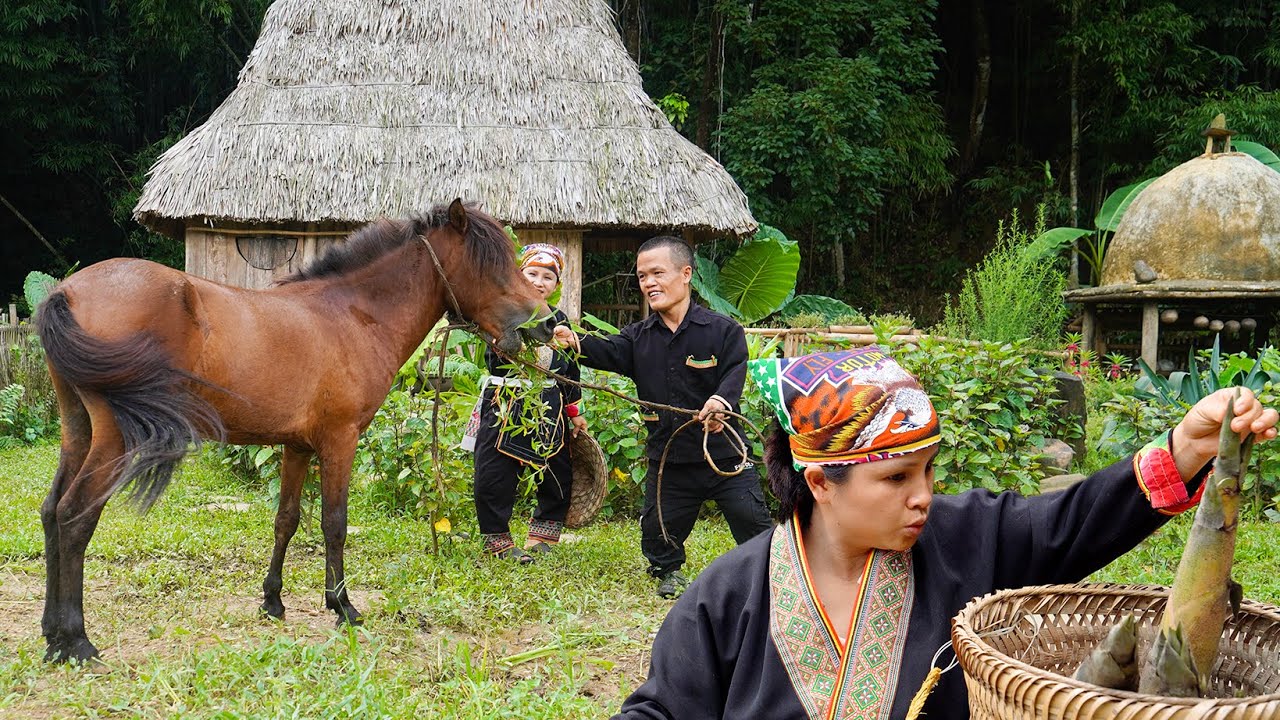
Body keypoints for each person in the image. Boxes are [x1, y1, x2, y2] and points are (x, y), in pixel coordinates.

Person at [612, 346, 1279, 719]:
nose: (923, 497)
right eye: (896, 479)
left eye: (928, 471)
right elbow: (663, 712)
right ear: (821, 482)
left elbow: (1072, 525)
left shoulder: (963, 539)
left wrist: (1186, 449)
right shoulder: (727, 595)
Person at [554, 235, 772, 597]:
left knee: (754, 524)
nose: (649, 283)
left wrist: (719, 403)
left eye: (657, 273)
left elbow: (734, 372)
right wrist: (571, 339)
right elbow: (605, 350)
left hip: (724, 456)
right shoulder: (637, 339)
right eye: (642, 277)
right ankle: (668, 572)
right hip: (670, 460)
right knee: (658, 536)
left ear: (686, 274)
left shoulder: (723, 331)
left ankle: (768, 574)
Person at [470, 243, 586, 563]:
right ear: (519, 276)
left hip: (548, 402)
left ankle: (543, 535)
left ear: (556, 284)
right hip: (505, 400)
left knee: (556, 469)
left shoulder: (560, 319)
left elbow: (570, 368)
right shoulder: (505, 311)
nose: (539, 281)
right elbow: (494, 357)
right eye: (531, 273)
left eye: (548, 276)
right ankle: (498, 540)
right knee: (494, 471)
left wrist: (574, 412)